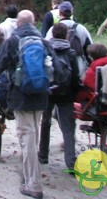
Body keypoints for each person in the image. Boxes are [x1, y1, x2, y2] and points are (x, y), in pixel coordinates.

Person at [0, 10, 49, 199]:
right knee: (32, 134)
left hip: (21, 95)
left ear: (17, 23)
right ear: (33, 23)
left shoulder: (13, 41)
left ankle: (33, 184)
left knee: (27, 137)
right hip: (41, 95)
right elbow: (54, 66)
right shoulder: (42, 40)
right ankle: (28, 174)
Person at [38, 22, 80, 170]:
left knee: (46, 122)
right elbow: (76, 76)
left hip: (48, 91)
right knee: (68, 127)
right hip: (66, 93)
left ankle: (43, 154)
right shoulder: (71, 53)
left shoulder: (46, 49)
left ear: (53, 34)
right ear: (66, 35)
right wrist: (76, 93)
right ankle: (70, 162)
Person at [45, 1, 92, 76]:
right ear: (72, 13)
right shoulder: (81, 28)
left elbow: (47, 49)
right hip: (79, 69)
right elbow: (90, 49)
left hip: (59, 70)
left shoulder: (53, 29)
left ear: (60, 13)